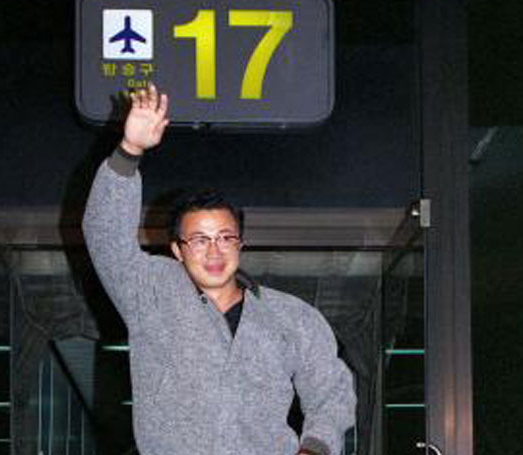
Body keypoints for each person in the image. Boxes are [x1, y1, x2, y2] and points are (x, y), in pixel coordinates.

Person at [82, 84, 356, 455]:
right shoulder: (151, 293)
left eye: (225, 238)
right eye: (199, 240)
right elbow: (105, 235)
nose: (214, 250)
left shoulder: (291, 317)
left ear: (240, 245)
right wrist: (129, 151)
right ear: (177, 250)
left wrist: (315, 447)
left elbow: (332, 392)